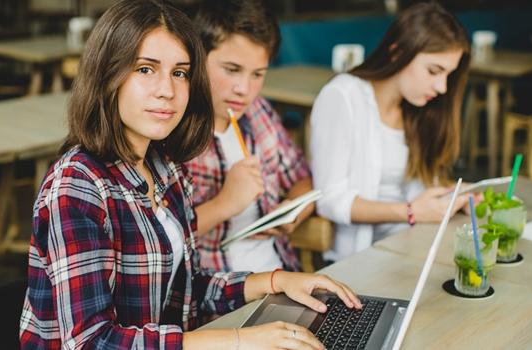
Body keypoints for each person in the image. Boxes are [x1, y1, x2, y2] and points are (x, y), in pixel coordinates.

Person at [19, 1, 361, 349]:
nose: (167, 90)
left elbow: (185, 291)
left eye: (179, 73)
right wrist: (241, 340)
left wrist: (274, 281)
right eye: (145, 69)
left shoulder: (164, 165)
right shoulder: (77, 186)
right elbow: (93, 342)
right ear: (107, 74)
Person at [310, 2, 473, 261]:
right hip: (361, 259)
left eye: (448, 75)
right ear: (398, 53)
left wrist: (447, 196)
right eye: (433, 71)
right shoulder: (342, 96)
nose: (442, 87)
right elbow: (330, 200)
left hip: (413, 243)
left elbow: (415, 189)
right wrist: (411, 211)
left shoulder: (417, 108)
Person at [186, 0, 313, 273]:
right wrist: (225, 203)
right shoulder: (173, 132)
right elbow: (157, 238)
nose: (244, 89)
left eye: (257, 74)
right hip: (216, 293)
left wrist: (293, 212)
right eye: (231, 70)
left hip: (281, 271)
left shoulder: (259, 112)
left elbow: (303, 178)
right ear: (197, 58)